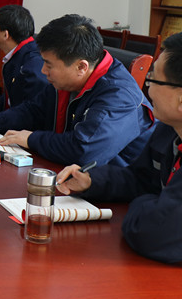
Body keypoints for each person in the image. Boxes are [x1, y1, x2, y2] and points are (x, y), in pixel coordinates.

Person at [56, 32, 182, 263]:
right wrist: (92, 181)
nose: (147, 90)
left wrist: (147, 202)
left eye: (153, 80)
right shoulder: (169, 130)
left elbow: (154, 233)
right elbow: (140, 179)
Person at [0, 14, 154, 167]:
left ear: (81, 67)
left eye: (49, 65)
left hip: (112, 187)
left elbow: (83, 151)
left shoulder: (119, 96)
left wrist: (31, 139)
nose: (43, 71)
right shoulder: (68, 81)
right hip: (68, 173)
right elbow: (35, 109)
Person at [0, 5, 47, 111]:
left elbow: (29, 110)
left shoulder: (32, 64)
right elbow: (11, 99)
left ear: (5, 34)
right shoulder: (20, 54)